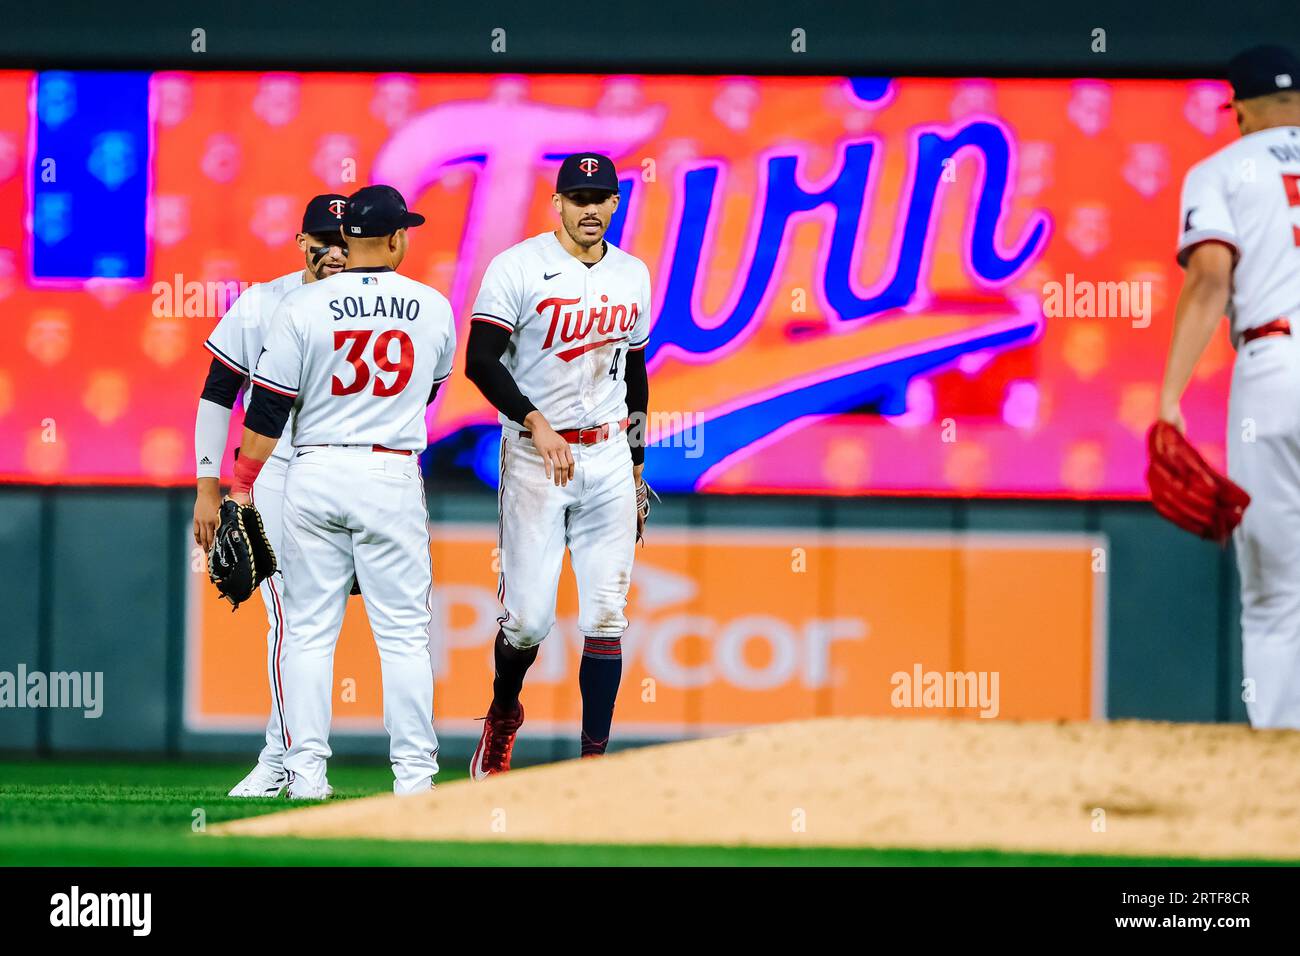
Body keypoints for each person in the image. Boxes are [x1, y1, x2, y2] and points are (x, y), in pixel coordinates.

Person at [232, 184, 455, 797]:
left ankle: (306, 774)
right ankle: (414, 778)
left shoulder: (302, 309)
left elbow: (267, 412)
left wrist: (242, 487)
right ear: (394, 238)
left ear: (347, 240)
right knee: (404, 635)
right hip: (390, 470)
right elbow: (430, 388)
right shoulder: (434, 306)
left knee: (305, 631)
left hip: (315, 469)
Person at [464, 153, 652, 777]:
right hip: (535, 457)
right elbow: (481, 361)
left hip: (605, 455)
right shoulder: (517, 267)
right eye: (578, 197)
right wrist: (534, 421)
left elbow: (636, 370)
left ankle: (592, 769)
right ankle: (503, 711)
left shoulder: (632, 274)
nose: (589, 208)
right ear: (558, 203)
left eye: (600, 197)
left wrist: (637, 461)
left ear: (616, 203)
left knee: (606, 614)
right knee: (529, 622)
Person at [1159, 44, 1300, 729]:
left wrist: (1168, 397)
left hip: (1275, 371)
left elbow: (1211, 276)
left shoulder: (1222, 168)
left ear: (1238, 111)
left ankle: (1279, 778)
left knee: (1276, 600)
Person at [192, 193, 348, 797]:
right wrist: (211, 485)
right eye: (322, 240)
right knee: (290, 617)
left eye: (343, 240)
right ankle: (286, 761)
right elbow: (217, 391)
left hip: (353, 474)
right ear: (300, 242)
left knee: (320, 623)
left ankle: (291, 758)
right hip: (276, 469)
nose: (333, 252)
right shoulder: (263, 303)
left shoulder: (376, 307)